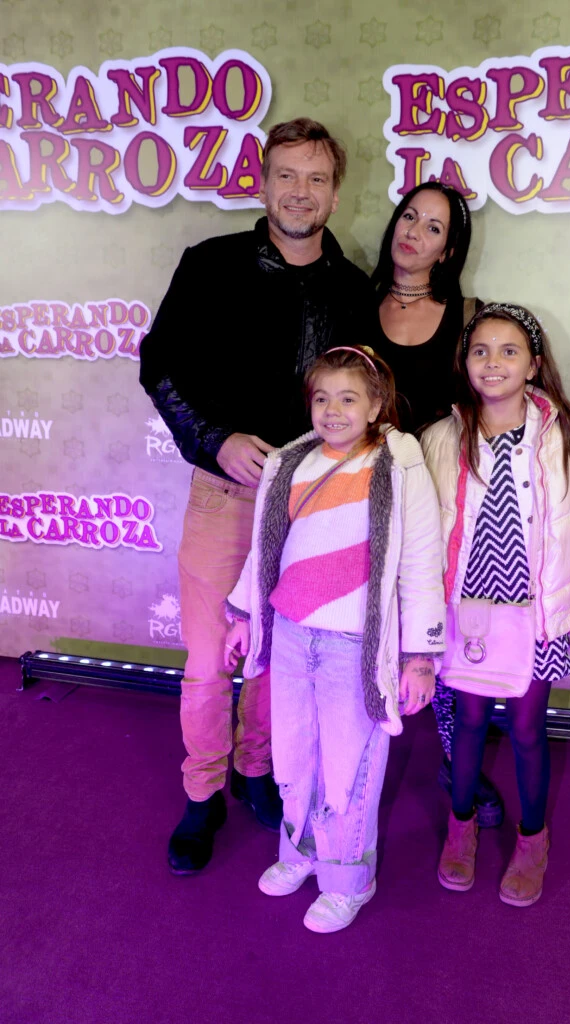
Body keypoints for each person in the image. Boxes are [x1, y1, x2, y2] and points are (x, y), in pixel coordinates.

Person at [139, 118, 376, 874]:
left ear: (334, 193)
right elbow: (158, 365)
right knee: (210, 661)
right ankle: (202, 791)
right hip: (226, 492)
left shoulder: (353, 289)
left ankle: (254, 769)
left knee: (278, 657)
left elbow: (366, 395)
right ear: (263, 183)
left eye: (316, 178)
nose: (300, 192)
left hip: (312, 506)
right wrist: (214, 439)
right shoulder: (210, 265)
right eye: (286, 175)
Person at [225, 345, 445, 932]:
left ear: (376, 405)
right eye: (322, 398)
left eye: (349, 399)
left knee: (350, 765)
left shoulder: (398, 463)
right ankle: (300, 851)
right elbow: (264, 549)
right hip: (292, 634)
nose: (333, 410)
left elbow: (421, 560)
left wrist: (420, 656)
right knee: (294, 752)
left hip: (355, 645)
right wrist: (243, 614)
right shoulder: (291, 462)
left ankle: (349, 879)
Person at [421, 303, 570, 906]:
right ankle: (461, 826)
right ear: (465, 362)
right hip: (468, 616)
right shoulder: (441, 437)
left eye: (509, 351)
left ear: (533, 364)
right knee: (469, 721)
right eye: (480, 350)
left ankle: (533, 838)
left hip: (537, 618)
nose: (493, 362)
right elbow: (423, 540)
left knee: (528, 728)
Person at [371, 181, 503, 828]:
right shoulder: (351, 302)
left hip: (437, 504)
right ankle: (352, 761)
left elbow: (487, 406)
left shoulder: (468, 318)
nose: (413, 232)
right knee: (361, 627)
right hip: (361, 498)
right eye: (409, 217)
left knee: (439, 637)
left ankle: (459, 763)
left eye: (432, 227)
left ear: (448, 251)